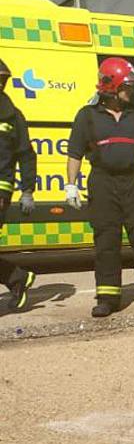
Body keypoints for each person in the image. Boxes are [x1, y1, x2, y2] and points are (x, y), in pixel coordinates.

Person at [65, 57, 134, 318]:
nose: (132, 90)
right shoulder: (87, 116)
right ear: (112, 87)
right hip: (103, 184)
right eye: (128, 85)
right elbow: (75, 153)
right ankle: (107, 297)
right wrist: (71, 184)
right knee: (106, 243)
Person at [0, 58, 38, 311]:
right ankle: (17, 277)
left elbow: (25, 154)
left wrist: (27, 190)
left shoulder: (12, 115)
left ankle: (17, 278)